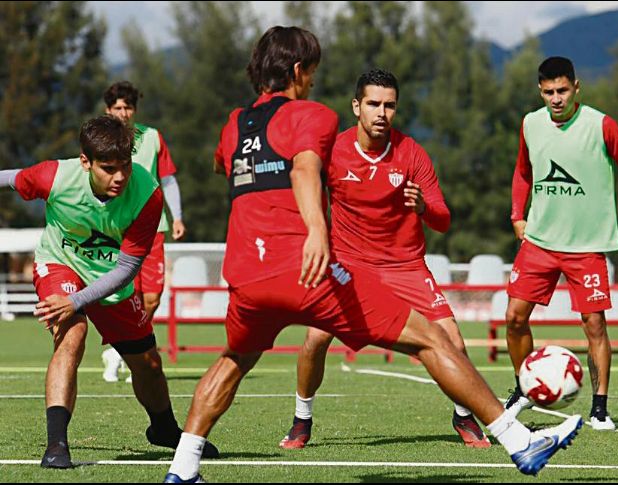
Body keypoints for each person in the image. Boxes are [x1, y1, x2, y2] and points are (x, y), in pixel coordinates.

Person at [163, 26, 583, 483]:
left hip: (245, 274)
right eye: (313, 72)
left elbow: (221, 162)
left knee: (233, 361)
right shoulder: (314, 116)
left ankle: (183, 469)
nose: (314, 82)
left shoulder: (235, 123)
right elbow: (305, 168)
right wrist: (318, 232)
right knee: (430, 340)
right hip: (302, 269)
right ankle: (520, 442)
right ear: (299, 70)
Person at [277, 68, 490, 450]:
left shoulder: (412, 153)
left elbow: (443, 219)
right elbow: (301, 188)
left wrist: (425, 207)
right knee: (314, 338)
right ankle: (301, 420)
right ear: (356, 106)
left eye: (389, 105)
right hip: (349, 265)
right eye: (373, 104)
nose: (381, 112)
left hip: (406, 266)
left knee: (453, 340)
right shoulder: (333, 150)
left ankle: (463, 414)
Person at [0, 115, 217, 469]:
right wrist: (72, 303)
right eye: (108, 168)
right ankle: (56, 445)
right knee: (72, 335)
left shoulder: (147, 194)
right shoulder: (54, 176)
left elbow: (126, 269)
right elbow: (10, 178)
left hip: (110, 278)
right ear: (85, 161)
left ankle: (163, 429)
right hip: (60, 263)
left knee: (148, 363)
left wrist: (77, 300)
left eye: (125, 166)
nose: (119, 177)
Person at [504, 56, 618, 431]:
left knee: (593, 324)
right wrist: (517, 215)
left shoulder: (601, 125)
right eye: (549, 92)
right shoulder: (530, 124)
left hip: (586, 246)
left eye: (563, 90)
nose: (556, 98)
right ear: (540, 91)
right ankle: (525, 387)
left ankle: (600, 408)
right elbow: (522, 172)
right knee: (514, 317)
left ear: (576, 87)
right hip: (539, 241)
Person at [100, 81, 187, 383]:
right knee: (123, 294)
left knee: (152, 297)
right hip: (114, 228)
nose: (123, 113)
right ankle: (120, 351)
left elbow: (169, 179)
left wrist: (177, 216)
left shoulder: (152, 138)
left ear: (134, 110)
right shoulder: (99, 141)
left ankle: (122, 348)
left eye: (128, 107)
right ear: (108, 110)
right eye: (117, 108)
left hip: (153, 226)